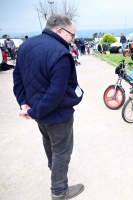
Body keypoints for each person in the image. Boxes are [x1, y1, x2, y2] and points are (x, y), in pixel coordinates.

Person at [13, 14, 85, 199]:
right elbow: (55, 94)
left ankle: (55, 171)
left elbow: (17, 78)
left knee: (49, 142)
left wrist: (25, 104)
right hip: (56, 114)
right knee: (62, 150)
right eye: (72, 35)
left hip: (39, 113)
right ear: (59, 30)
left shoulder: (25, 46)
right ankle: (59, 190)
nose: (72, 39)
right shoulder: (60, 53)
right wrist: (32, 110)